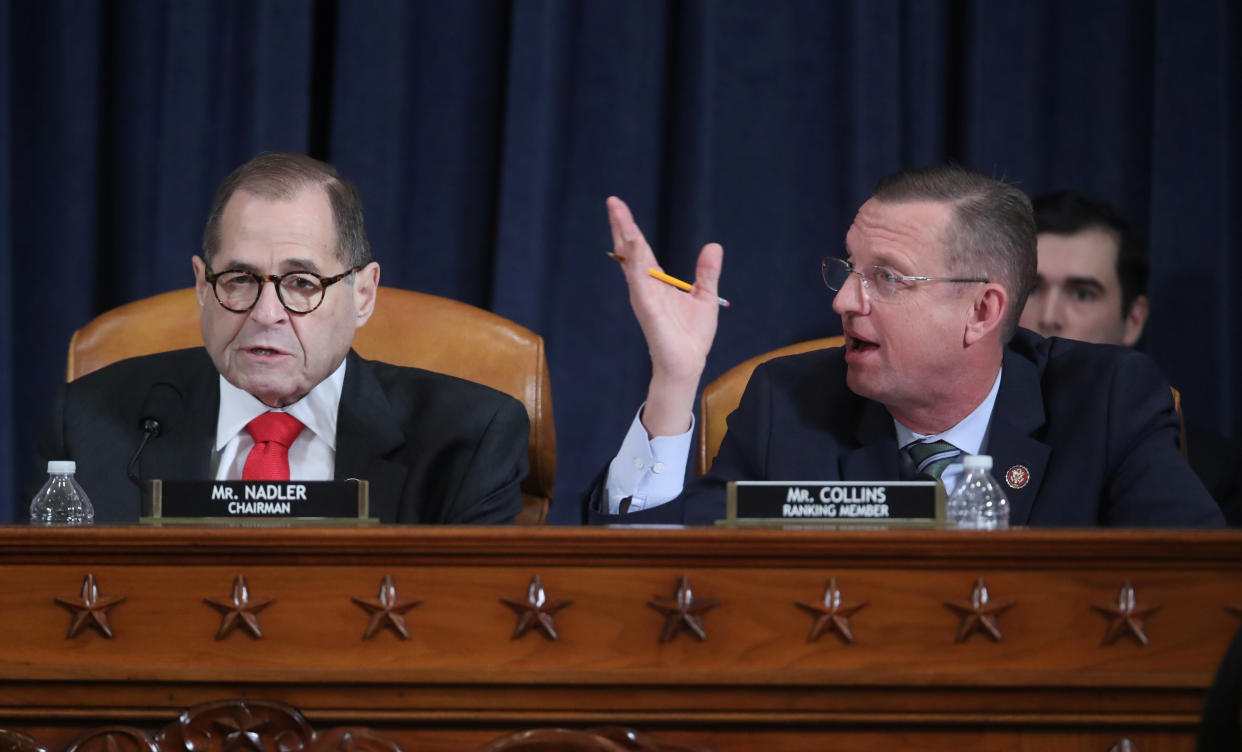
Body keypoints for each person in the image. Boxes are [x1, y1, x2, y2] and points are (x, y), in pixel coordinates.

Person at [588, 165, 1224, 527]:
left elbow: (1192, 582)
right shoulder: (792, 405)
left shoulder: (1106, 403)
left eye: (886, 278)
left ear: (982, 310)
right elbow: (652, 566)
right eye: (848, 269)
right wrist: (673, 381)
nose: (844, 301)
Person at [31, 152, 528, 524]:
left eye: (301, 284)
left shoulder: (466, 439)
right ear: (202, 287)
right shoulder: (88, 423)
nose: (266, 314)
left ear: (364, 294)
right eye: (240, 279)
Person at [1018, 191, 1241, 524]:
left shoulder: (1211, 471)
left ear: (1134, 319)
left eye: (1082, 293)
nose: (1050, 316)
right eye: (1032, 288)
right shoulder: (961, 434)